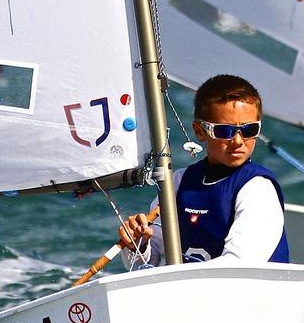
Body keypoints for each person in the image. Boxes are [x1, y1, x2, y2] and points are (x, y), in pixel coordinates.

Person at [119, 74, 288, 268]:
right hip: (195, 292)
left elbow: (241, 266)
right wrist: (137, 244)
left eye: (249, 130)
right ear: (200, 131)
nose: (238, 141)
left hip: (250, 293)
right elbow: (147, 263)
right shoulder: (178, 182)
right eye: (224, 131)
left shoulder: (258, 189)